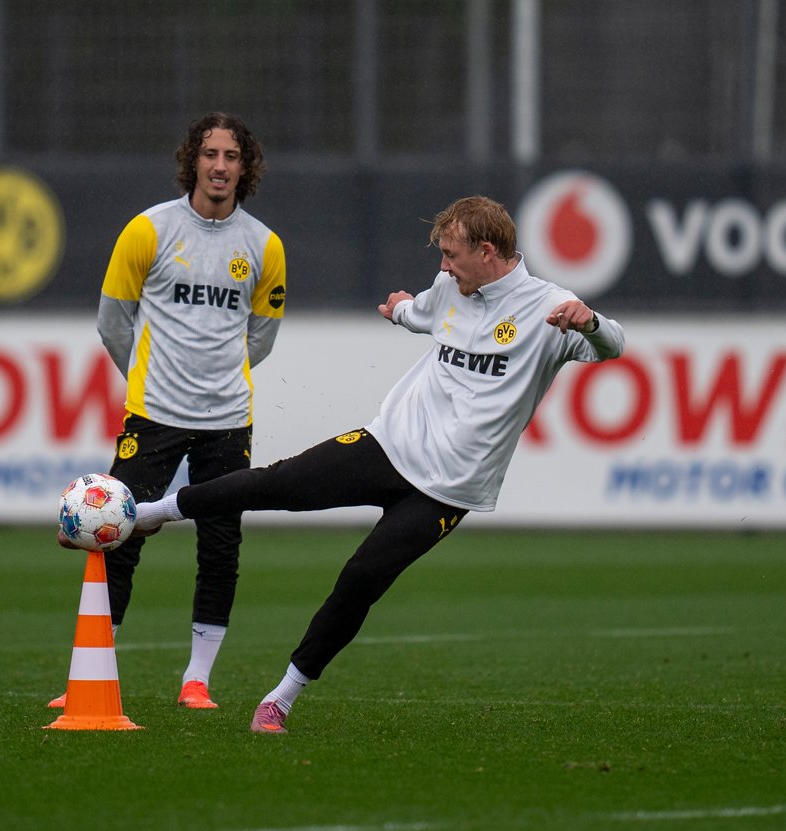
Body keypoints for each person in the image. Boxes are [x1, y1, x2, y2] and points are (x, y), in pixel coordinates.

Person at [65, 195, 623, 733]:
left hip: (449, 490)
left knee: (362, 579)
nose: (444, 266)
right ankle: (153, 512)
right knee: (279, 483)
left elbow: (613, 346)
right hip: (388, 444)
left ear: (487, 250)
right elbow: (420, 312)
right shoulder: (450, 289)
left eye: (452, 255)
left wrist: (590, 323)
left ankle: (280, 697)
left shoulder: (550, 308)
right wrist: (399, 309)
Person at [88, 111, 287, 711]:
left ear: (245, 167)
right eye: (210, 154)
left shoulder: (264, 246)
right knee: (117, 534)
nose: (220, 166)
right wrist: (149, 380)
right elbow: (111, 322)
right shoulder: (148, 231)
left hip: (227, 418)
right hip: (154, 411)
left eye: (231, 156)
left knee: (221, 542)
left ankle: (196, 680)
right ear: (192, 161)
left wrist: (217, 379)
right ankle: (96, 671)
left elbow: (263, 335)